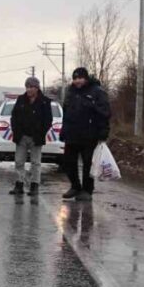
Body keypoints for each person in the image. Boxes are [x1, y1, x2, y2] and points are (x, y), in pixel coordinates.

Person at [59, 67, 111, 201]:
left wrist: (103, 132)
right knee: (68, 162)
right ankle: (75, 186)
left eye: (80, 78)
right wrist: (63, 131)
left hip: (90, 135)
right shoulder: (71, 92)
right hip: (72, 134)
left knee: (88, 163)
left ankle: (87, 190)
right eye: (75, 78)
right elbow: (66, 113)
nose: (77, 81)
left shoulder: (97, 92)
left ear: (86, 78)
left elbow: (105, 114)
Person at [9, 76, 53, 196]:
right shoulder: (21, 100)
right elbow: (14, 117)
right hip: (22, 136)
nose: (28, 90)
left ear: (37, 88)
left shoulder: (45, 102)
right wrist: (16, 131)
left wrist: (41, 132)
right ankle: (19, 185)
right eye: (27, 87)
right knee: (19, 161)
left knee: (36, 162)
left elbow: (48, 120)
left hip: (36, 138)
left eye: (31, 87)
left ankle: (34, 186)